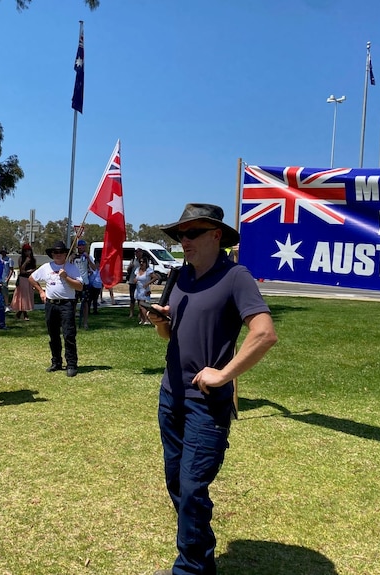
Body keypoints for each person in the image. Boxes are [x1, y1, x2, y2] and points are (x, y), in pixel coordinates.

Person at [148, 204, 278, 575]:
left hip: (206, 404)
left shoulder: (236, 277)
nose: (183, 241)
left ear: (216, 235)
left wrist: (222, 375)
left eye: (192, 234)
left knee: (191, 488)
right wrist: (161, 322)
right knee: (177, 483)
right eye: (180, 235)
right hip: (170, 395)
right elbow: (171, 335)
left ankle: (189, 569)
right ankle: (199, 559)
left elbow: (265, 334)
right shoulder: (178, 277)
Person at [28, 240, 83, 377]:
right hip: (51, 304)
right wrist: (41, 291)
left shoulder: (71, 268)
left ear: (65, 254)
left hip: (67, 304)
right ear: (52, 254)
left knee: (69, 334)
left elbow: (80, 286)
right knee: (53, 335)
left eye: (60, 252)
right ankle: (56, 362)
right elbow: (31, 278)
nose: (58, 254)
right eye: (55, 252)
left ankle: (71, 364)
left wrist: (66, 277)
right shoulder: (47, 267)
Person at [72, 239, 97, 329]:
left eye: (83, 246)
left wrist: (88, 259)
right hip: (75, 282)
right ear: (77, 247)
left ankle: (85, 322)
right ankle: (73, 322)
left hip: (85, 282)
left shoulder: (88, 257)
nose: (81, 247)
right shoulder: (74, 257)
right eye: (80, 246)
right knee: (73, 303)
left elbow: (94, 268)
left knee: (86, 303)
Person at [11, 243, 36, 320]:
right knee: (23, 296)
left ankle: (19, 313)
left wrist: (32, 271)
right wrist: (25, 262)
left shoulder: (33, 259)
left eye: (29, 251)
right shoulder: (21, 259)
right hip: (23, 279)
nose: (27, 252)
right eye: (25, 251)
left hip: (30, 278)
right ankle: (25, 314)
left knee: (28, 295)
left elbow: (35, 269)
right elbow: (21, 270)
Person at [134, 257, 155, 325]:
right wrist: (135, 280)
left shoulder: (148, 271)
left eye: (143, 262)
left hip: (145, 290)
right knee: (139, 306)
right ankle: (142, 319)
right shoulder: (137, 270)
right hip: (138, 289)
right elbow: (136, 278)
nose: (141, 263)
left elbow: (156, 277)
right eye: (140, 262)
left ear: (146, 263)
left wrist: (147, 283)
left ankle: (147, 320)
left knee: (142, 305)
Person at [126, 247, 143, 318]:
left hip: (140, 282)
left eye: (138, 252)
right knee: (132, 298)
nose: (137, 253)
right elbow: (128, 270)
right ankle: (131, 313)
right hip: (132, 281)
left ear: (141, 253)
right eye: (136, 252)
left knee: (140, 299)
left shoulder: (143, 261)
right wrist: (130, 267)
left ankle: (140, 313)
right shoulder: (133, 260)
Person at [0, 249, 14, 313]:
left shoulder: (9, 260)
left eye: (4, 252)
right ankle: (1, 305)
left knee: (5, 292)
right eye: (2, 252)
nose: (3, 253)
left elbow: (11, 270)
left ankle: (7, 305)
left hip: (5, 277)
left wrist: (8, 278)